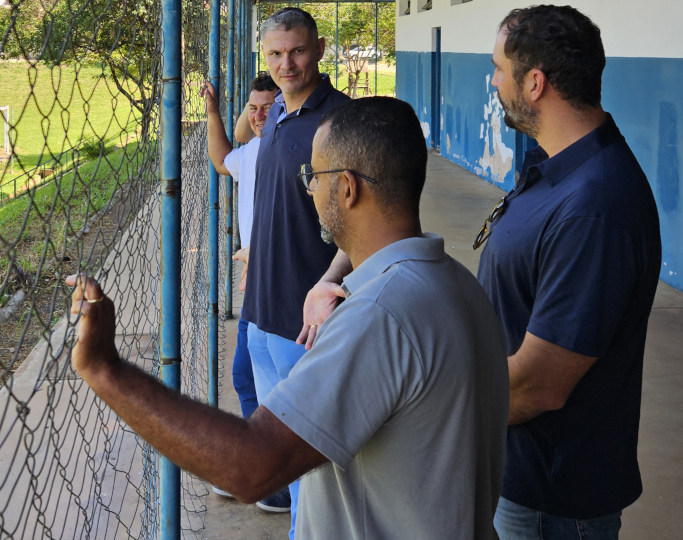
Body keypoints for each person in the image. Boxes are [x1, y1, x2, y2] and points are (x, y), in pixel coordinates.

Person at [65, 97, 509, 540]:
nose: (310, 189)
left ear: (348, 188)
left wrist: (106, 369)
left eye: (313, 177)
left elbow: (253, 467)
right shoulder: (458, 286)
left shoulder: (379, 315)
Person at [478, 5, 661, 539]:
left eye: (498, 68)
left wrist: (434, 400)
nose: (493, 81)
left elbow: (539, 385)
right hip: (519, 475)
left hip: (549, 499)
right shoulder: (558, 166)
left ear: (534, 83)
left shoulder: (595, 207)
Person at [234, 7, 353, 526]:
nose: (287, 64)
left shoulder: (342, 121)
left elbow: (365, 221)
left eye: (298, 51)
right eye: (276, 54)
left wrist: (329, 282)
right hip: (260, 309)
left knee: (310, 459)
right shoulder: (277, 112)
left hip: (303, 319)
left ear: (320, 49)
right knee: (277, 441)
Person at [200, 73, 276, 420]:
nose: (258, 116)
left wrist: (259, 252)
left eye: (268, 108)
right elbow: (222, 161)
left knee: (259, 380)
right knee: (247, 378)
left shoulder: (289, 151)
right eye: (253, 109)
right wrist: (212, 111)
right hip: (257, 280)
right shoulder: (255, 149)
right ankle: (263, 455)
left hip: (276, 279)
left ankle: (267, 459)